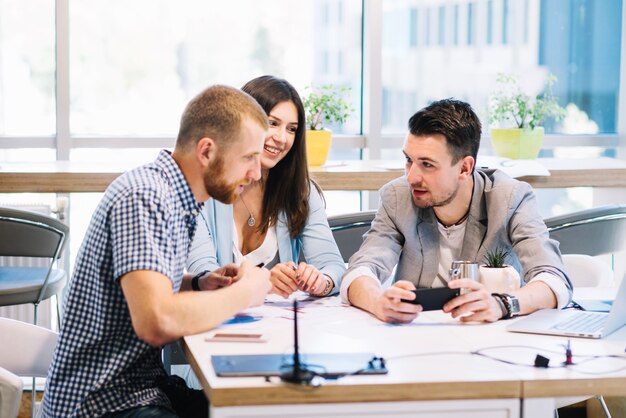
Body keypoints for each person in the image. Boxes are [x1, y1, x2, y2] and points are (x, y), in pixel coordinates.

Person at [40, 85, 272, 418]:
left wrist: (197, 283)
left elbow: (139, 282)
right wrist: (246, 293)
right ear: (206, 151)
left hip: (138, 387)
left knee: (253, 411)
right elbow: (156, 321)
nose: (256, 173)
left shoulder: (174, 196)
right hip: (100, 402)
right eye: (249, 157)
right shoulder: (146, 197)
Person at [340, 98, 572, 324]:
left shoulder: (511, 198)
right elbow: (360, 271)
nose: (411, 177)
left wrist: (502, 304)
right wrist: (378, 302)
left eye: (427, 165)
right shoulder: (397, 198)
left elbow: (553, 280)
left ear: (464, 167)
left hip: (490, 338)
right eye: (409, 160)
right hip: (414, 339)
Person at [187, 75, 345, 298]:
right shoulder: (204, 190)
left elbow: (334, 267)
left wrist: (321, 282)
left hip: (279, 326)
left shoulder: (300, 191)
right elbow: (202, 275)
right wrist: (263, 283)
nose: (282, 138)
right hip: (219, 323)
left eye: (292, 129)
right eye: (272, 123)